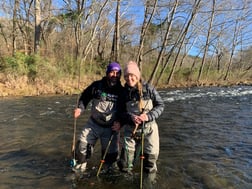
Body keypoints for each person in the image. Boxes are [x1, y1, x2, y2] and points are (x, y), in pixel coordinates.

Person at [117, 61, 164, 185]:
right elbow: (120, 112)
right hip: (130, 130)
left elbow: (160, 105)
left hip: (149, 129)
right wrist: (130, 117)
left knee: (150, 162)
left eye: (132, 75)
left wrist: (148, 116)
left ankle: (148, 184)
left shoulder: (149, 89)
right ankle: (126, 184)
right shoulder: (123, 93)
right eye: (126, 76)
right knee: (125, 163)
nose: (129, 78)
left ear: (137, 76)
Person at [73, 62, 122, 174]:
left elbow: (124, 111)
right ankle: (80, 169)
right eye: (112, 72)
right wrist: (80, 109)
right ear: (107, 73)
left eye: (117, 73)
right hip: (93, 124)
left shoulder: (122, 91)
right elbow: (85, 97)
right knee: (81, 146)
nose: (114, 75)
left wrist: (120, 123)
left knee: (110, 158)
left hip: (111, 128)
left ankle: (106, 173)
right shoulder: (96, 85)